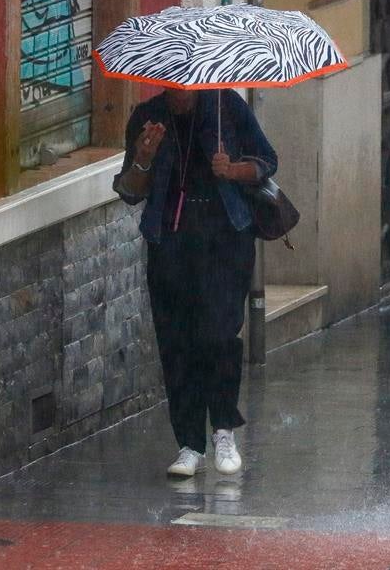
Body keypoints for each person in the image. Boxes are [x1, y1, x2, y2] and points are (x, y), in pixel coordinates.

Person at [113, 88, 277, 477]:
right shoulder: (148, 116)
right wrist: (143, 160)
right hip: (170, 243)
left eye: (184, 86)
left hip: (225, 241)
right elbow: (129, 191)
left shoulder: (228, 107)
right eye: (171, 83)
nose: (178, 92)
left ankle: (223, 430)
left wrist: (232, 170)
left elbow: (267, 161)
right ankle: (189, 444)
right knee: (177, 342)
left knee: (219, 336)